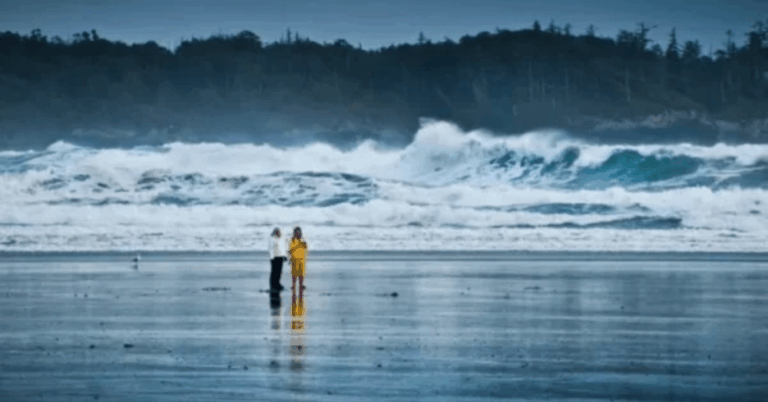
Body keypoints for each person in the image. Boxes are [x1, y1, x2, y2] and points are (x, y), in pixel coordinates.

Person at [288, 226, 308, 292]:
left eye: (299, 232)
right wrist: (290, 258)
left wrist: (304, 245)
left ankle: (301, 285)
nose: (298, 233)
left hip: (302, 259)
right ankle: (293, 285)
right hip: (295, 259)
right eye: (297, 232)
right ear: (294, 232)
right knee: (294, 273)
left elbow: (305, 248)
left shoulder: (302, 240)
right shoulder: (292, 240)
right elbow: (291, 249)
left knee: (301, 273)